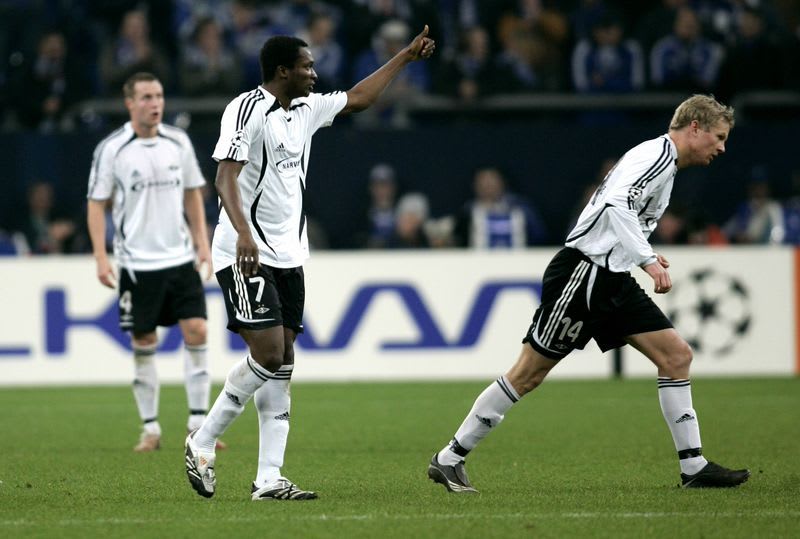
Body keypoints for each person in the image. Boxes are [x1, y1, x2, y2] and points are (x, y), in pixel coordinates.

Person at [428, 94, 750, 493]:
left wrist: (639, 252)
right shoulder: (656, 157)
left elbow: (621, 212)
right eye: (719, 137)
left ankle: (694, 466)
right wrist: (647, 259)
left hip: (612, 277)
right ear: (695, 128)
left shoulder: (662, 162)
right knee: (527, 374)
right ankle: (450, 457)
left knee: (676, 356)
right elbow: (616, 203)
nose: (722, 147)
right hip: (583, 274)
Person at [184, 28, 435, 501]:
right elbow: (224, 177)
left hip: (290, 255)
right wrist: (243, 233)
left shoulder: (306, 108)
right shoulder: (245, 109)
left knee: (283, 362)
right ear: (283, 71)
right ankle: (202, 439)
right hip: (244, 251)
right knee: (268, 354)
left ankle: (269, 478)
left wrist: (404, 57)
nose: (315, 74)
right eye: (307, 66)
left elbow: (360, 98)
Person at [87, 72, 224, 453]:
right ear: (130, 103)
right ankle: (150, 429)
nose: (155, 103)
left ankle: (199, 426)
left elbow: (193, 194)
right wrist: (101, 256)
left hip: (179, 258)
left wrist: (202, 243)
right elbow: (96, 204)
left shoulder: (177, 141)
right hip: (137, 263)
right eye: (146, 97)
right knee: (144, 340)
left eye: (159, 96)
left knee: (197, 330)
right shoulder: (112, 149)